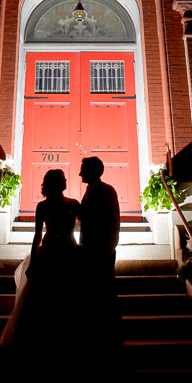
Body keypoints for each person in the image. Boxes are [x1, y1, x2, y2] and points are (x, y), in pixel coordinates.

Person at [0, 169, 82, 355]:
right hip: (50, 253)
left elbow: (86, 226)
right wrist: (33, 261)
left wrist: (82, 246)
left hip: (69, 251)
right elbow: (37, 235)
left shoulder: (74, 204)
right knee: (46, 299)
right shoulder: (42, 207)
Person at [78, 156, 122, 369]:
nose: (79, 174)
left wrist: (110, 247)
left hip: (102, 252)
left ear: (92, 170)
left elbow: (114, 220)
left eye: (83, 169)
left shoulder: (107, 190)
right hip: (88, 251)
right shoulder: (89, 191)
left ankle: (112, 340)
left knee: (106, 293)